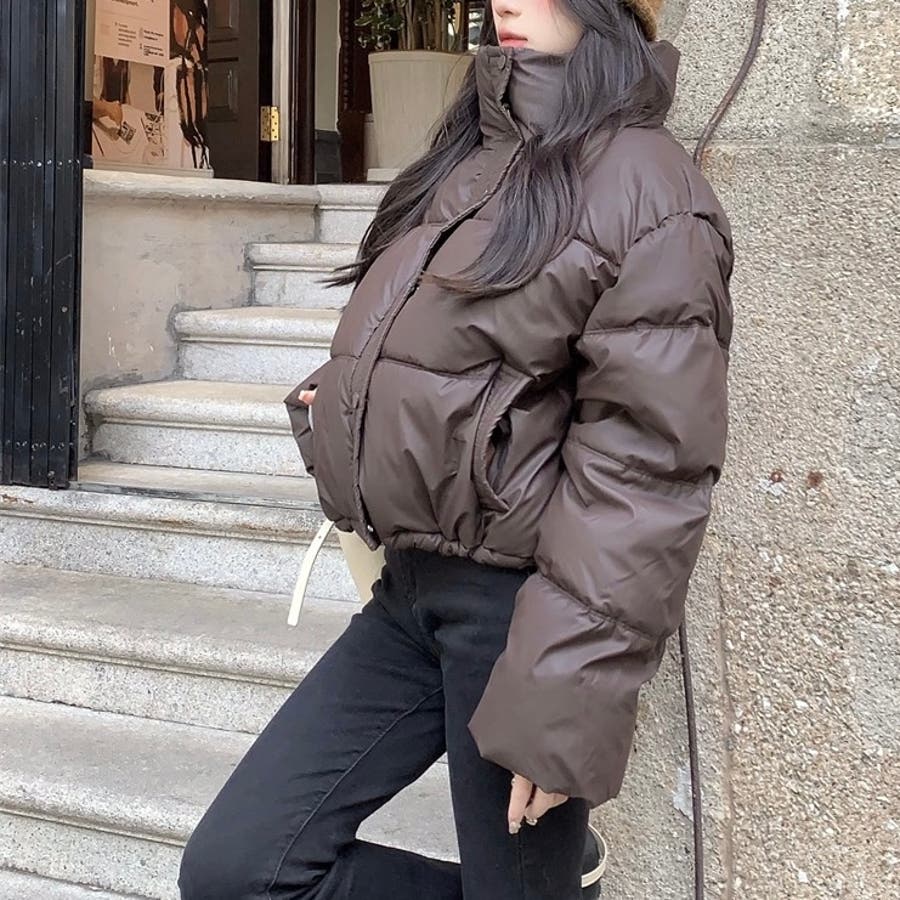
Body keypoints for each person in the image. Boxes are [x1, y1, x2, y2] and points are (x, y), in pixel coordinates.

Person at [178, 0, 734, 897]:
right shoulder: (474, 153)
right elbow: (442, 354)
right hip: (411, 593)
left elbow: (647, 469)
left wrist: (567, 693)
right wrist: (345, 413)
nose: (505, 2)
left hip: (522, 619)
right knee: (239, 870)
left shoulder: (650, 190)